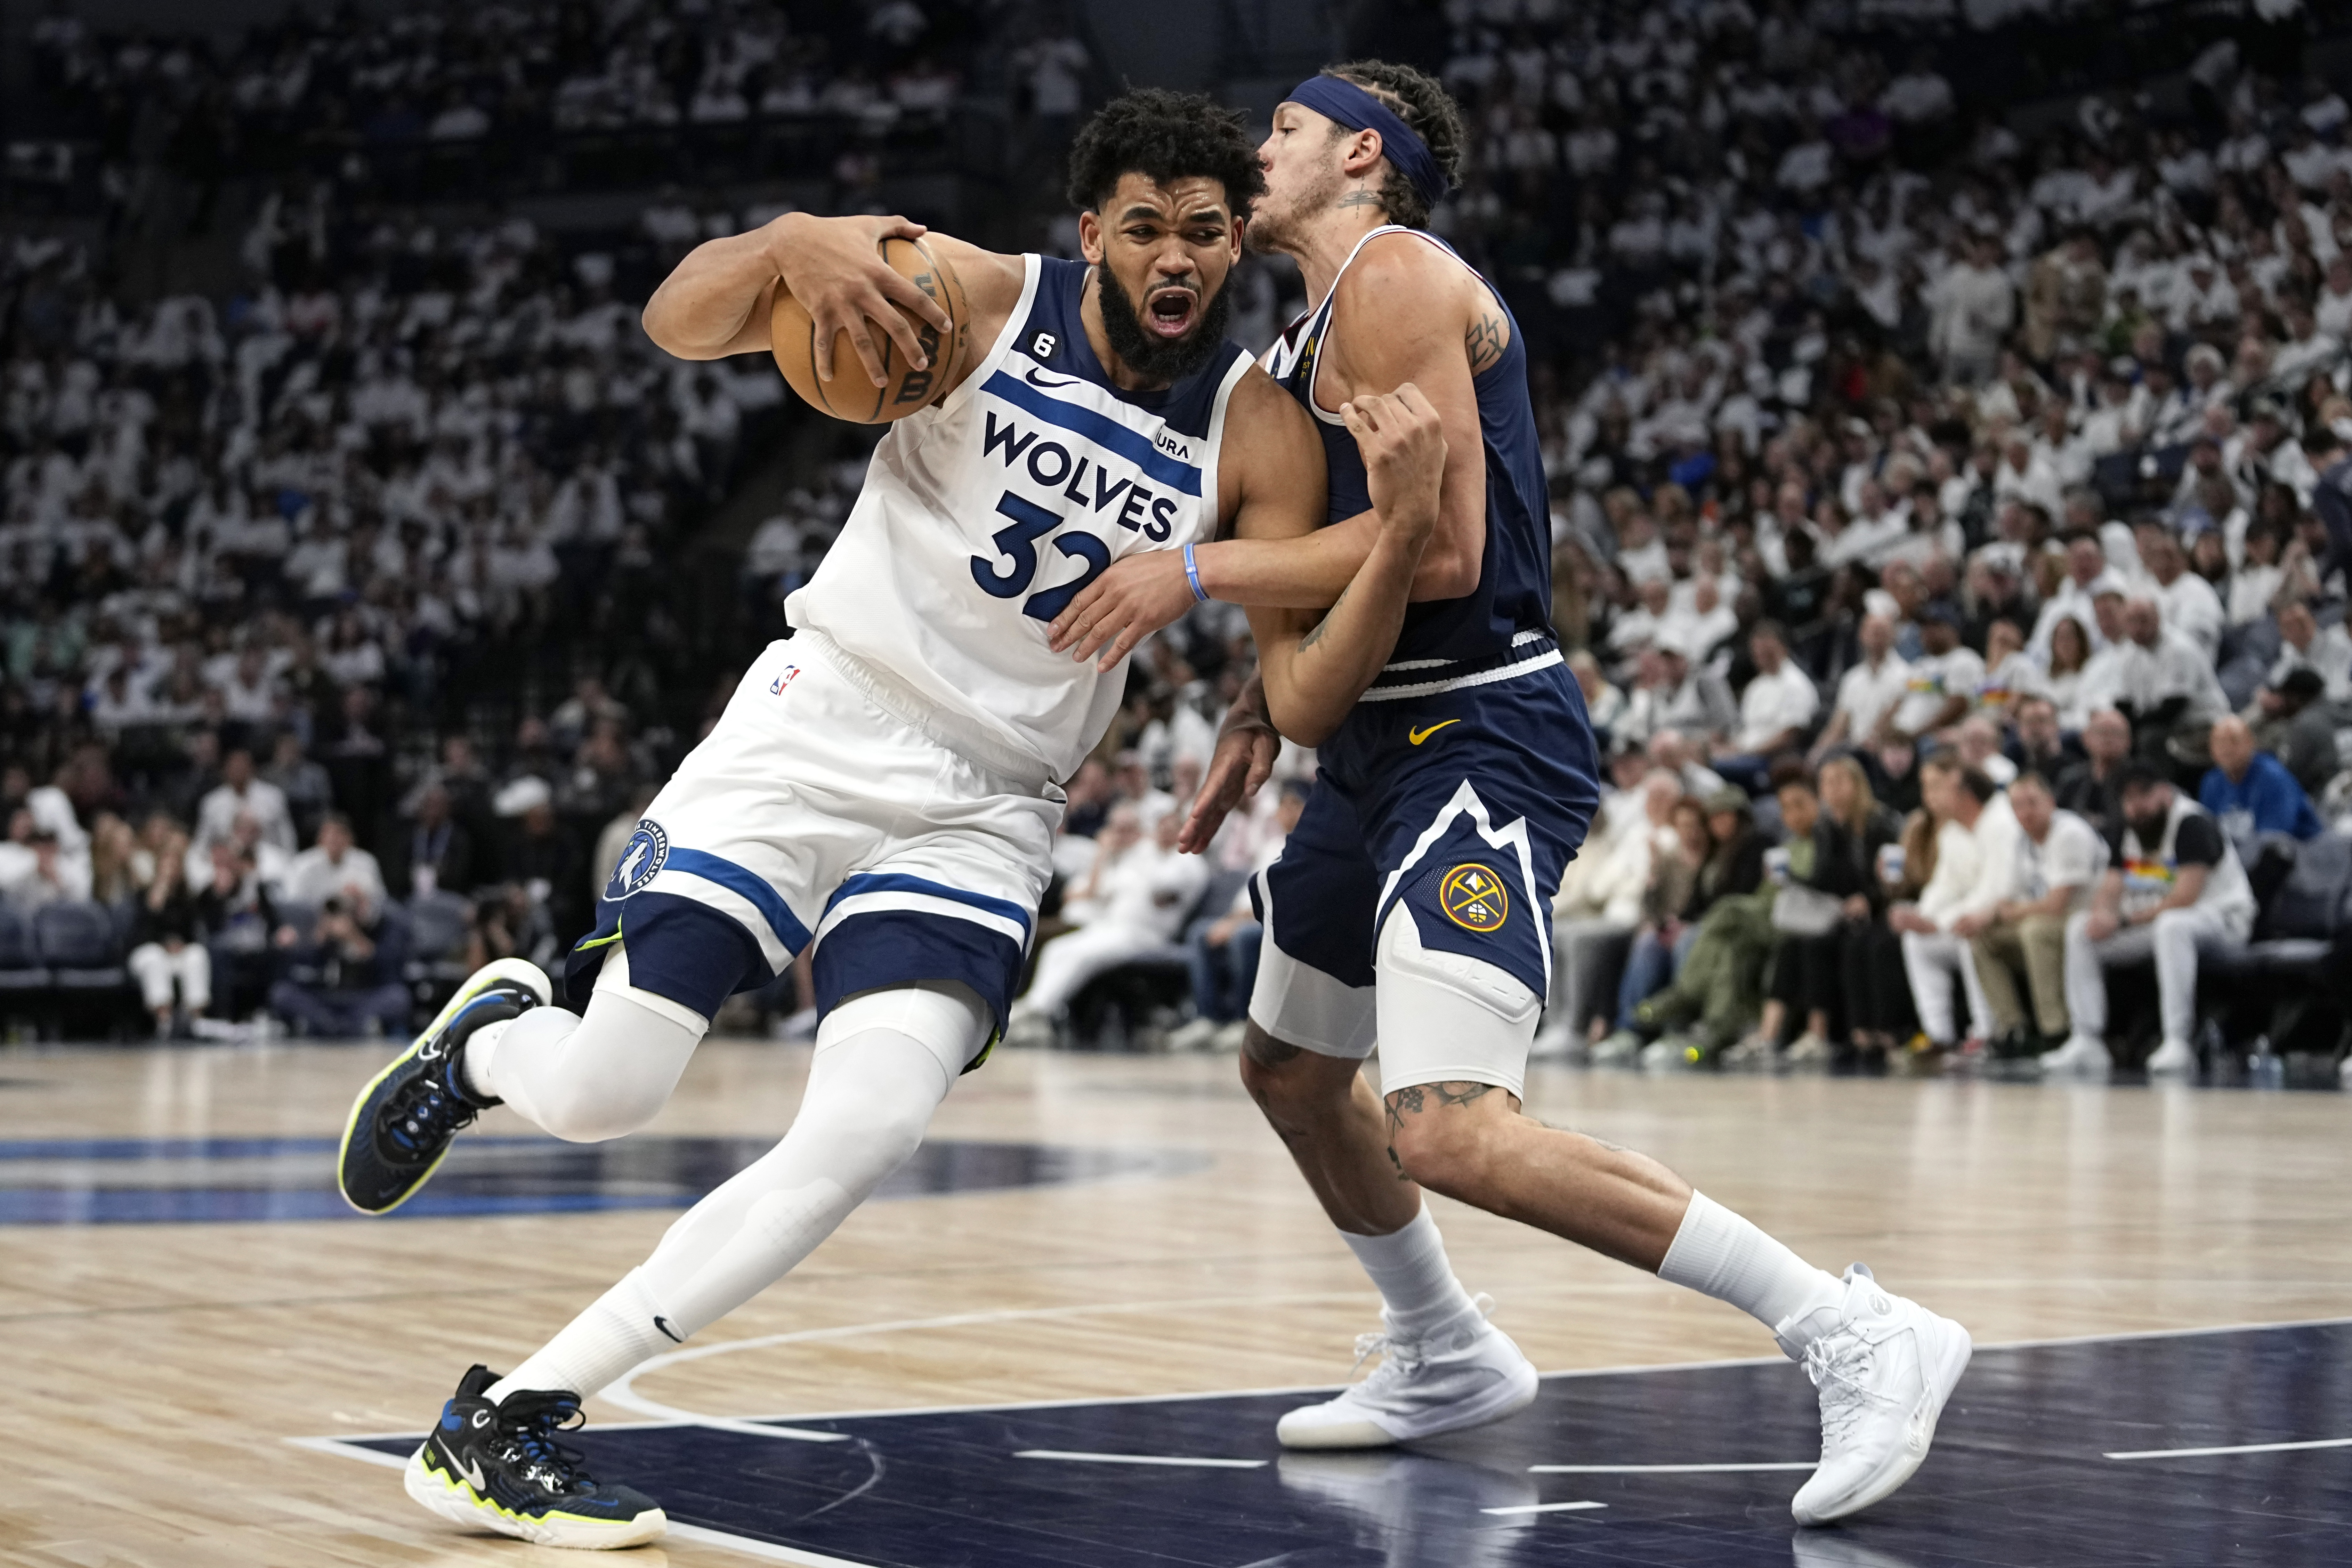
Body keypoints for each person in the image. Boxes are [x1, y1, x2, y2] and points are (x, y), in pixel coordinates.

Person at [336, 89, 1407, 1551]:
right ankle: (487, 1043)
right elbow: (677, 319)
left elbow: (1296, 669)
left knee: (862, 1128)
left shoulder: (1257, 427)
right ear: (1092, 233)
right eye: (1145, 225)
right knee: (605, 1087)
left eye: (1206, 231)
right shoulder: (968, 291)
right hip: (817, 723)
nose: (1176, 254)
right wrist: (787, 240)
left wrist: (1223, 580)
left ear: (1234, 250)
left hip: (985, 806)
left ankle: (514, 1411)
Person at [1093, 61, 1966, 1528]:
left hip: (1481, 738)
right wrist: (1260, 697)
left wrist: (1198, 572)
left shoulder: (1392, 273)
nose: (1258, 152)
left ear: (1357, 155)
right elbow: (1368, 554)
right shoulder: (1310, 326)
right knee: (1293, 1068)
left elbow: (1437, 556)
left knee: (1448, 1125)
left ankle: (1851, 1326)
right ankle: (1442, 1349)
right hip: (1373, 744)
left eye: (1284, 132)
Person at [2052, 759, 2257, 1076]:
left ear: (2165, 792)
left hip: (2223, 922)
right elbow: (2110, 887)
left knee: (2172, 925)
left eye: (2144, 795)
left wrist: (2121, 922)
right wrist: (2103, 915)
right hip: (2158, 924)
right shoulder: (2130, 830)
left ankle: (2178, 1041)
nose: (2137, 805)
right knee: (2081, 930)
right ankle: (2087, 1040)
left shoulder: (2191, 823)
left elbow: (2184, 897)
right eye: (2129, 799)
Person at [1006, 804, 1208, 1032]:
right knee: (1057, 948)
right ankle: (1034, 1007)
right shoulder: (1145, 856)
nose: (1164, 833)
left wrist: (1143, 849)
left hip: (1147, 934)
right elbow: (1105, 888)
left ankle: (1040, 1012)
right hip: (1114, 927)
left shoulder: (1189, 862)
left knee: (1082, 954)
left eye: (1172, 828)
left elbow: (1161, 889)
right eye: (1161, 827)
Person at [1729, 759, 1878, 1066]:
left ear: (1858, 785)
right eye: (1827, 783)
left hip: (1866, 911)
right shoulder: (1827, 828)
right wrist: (1787, 880)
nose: (1832, 790)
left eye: (1840, 781)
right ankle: (1769, 1036)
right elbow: (1825, 881)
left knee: (1815, 945)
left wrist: (1869, 899)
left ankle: (1819, 1034)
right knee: (1792, 945)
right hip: (1835, 910)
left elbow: (1873, 879)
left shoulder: (1876, 822)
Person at [1969, 771, 2106, 1054]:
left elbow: (2057, 904)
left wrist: (2013, 911)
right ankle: (2013, 1028)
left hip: (2086, 917)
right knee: (1982, 936)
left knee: (2036, 931)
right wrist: (1984, 916)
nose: (2025, 812)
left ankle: (2055, 1031)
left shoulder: (2070, 833)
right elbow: (2007, 894)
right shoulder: (2021, 840)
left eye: (2032, 802)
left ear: (2050, 802)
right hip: (2046, 917)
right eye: (2017, 805)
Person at [1890, 752, 2016, 1056]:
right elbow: (1944, 886)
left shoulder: (2002, 823)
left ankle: (1986, 1032)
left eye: (1940, 788)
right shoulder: (1952, 832)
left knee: (1968, 936)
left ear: (1965, 793)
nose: (1931, 797)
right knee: (1916, 941)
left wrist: (1940, 922)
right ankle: (1939, 1035)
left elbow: (1998, 889)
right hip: (1965, 918)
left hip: (2003, 916)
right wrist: (1920, 916)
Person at [269, 895, 410, 1037]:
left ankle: (341, 1026)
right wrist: (319, 940)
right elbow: (299, 972)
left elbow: (388, 969)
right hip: (324, 999)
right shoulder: (320, 935)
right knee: (281, 993)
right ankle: (333, 1026)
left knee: (398, 996)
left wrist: (354, 937)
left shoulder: (373, 930)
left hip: (360, 998)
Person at [1711, 620, 1819, 790]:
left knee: (1715, 768)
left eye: (1767, 650)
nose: (1761, 655)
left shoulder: (1796, 685)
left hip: (1771, 760)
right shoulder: (1756, 687)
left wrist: (1743, 753)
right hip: (1745, 754)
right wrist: (1727, 748)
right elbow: (1746, 731)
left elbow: (1788, 738)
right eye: (1758, 651)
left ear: (1783, 648)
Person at [126, 832, 209, 1037]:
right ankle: (165, 1022)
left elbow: (193, 935)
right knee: (154, 957)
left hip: (176, 956)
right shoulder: (142, 896)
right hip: (145, 953)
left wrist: (181, 944)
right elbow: (137, 937)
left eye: (175, 864)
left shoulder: (186, 899)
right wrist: (155, 904)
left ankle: (194, 1022)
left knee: (197, 955)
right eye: (166, 863)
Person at [2198, 714, 2323, 840]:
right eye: (2219, 743)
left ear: (2250, 742)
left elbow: (2274, 840)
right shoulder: (2211, 783)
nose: (2227, 749)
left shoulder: (2273, 778)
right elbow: (2210, 837)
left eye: (2234, 741)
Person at [1809, 610, 1909, 761]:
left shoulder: (1908, 676)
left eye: (1881, 631)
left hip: (1890, 750)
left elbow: (1898, 721)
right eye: (1872, 631)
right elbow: (1838, 726)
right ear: (1862, 635)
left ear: (1893, 635)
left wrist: (1873, 740)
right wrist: (1817, 754)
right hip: (1857, 751)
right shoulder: (1852, 679)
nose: (1876, 636)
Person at [282, 813, 388, 914]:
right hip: (312, 923)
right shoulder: (303, 865)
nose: (334, 839)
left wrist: (361, 897)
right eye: (329, 834)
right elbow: (293, 905)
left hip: (357, 922)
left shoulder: (366, 862)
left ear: (350, 839)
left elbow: (380, 902)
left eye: (340, 834)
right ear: (320, 839)